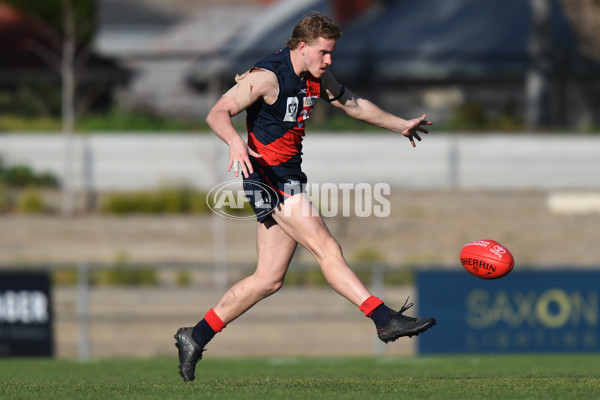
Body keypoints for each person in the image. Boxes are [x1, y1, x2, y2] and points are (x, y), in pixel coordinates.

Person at [175, 12, 436, 382]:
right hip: (269, 178)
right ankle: (383, 319)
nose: (329, 61)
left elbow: (351, 103)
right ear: (302, 47)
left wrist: (400, 124)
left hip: (288, 176)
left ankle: (195, 336)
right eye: (324, 53)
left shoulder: (315, 77)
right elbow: (217, 113)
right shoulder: (267, 77)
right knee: (325, 246)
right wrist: (234, 141)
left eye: (331, 53)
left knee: (268, 279)